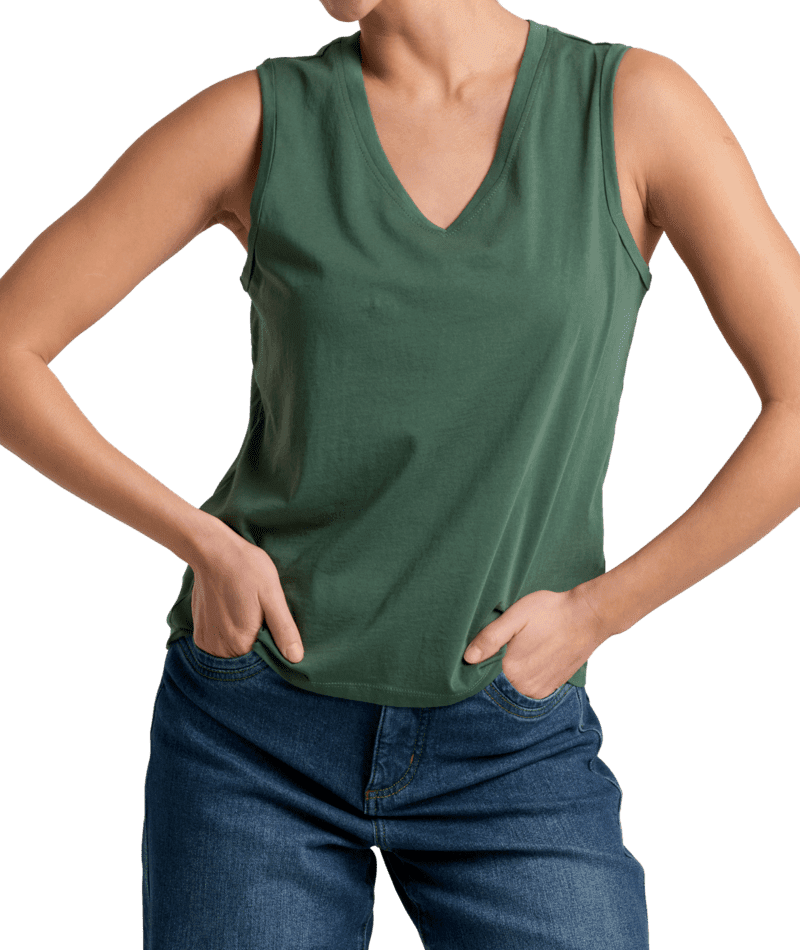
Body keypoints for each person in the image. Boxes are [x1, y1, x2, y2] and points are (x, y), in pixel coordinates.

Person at [1, 0, 799, 947]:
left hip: (514, 747)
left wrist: (601, 610)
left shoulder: (631, 107)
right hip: (254, 734)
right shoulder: (256, 120)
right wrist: (204, 543)